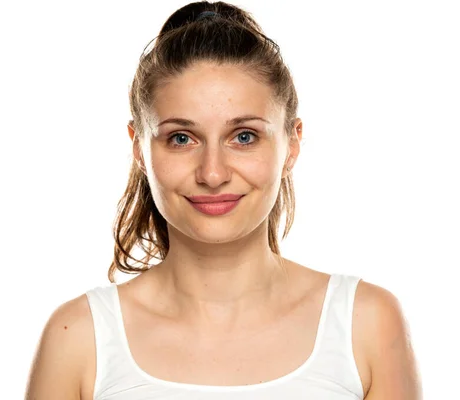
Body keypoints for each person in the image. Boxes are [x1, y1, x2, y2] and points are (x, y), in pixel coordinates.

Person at [25, 1, 422, 399]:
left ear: (292, 144)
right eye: (181, 138)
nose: (212, 174)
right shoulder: (78, 340)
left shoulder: (365, 326)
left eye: (244, 136)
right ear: (139, 149)